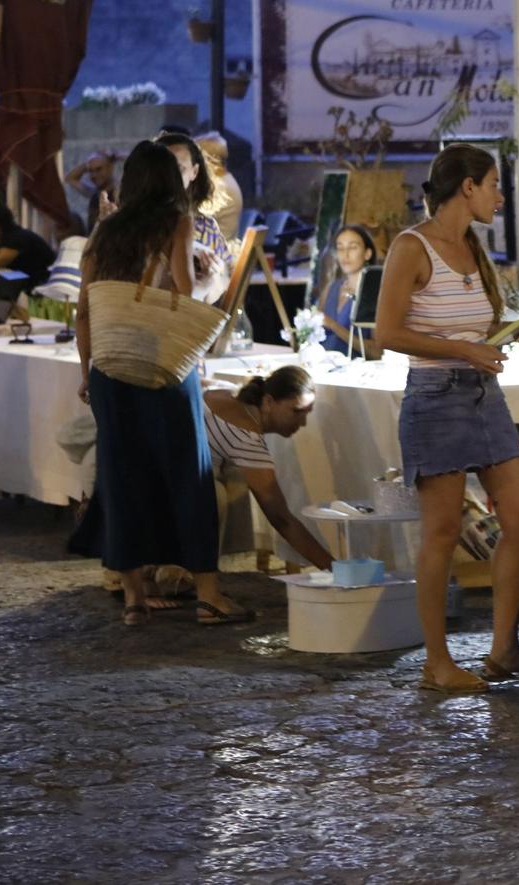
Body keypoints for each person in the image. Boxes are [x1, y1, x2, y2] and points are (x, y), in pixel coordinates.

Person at [373, 143, 519, 694]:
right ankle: (438, 663)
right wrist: (463, 351)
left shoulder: (475, 248)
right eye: (495, 184)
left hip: (483, 394)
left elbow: (478, 325)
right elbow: (387, 333)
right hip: (435, 395)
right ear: (467, 187)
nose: (501, 196)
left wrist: (510, 331)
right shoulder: (412, 246)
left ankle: (502, 649)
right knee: (443, 532)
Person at [76, 140, 252, 627]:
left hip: (109, 369)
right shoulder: (178, 223)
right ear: (173, 183)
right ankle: (210, 595)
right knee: (188, 477)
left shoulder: (106, 232)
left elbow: (84, 311)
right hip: (164, 365)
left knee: (119, 478)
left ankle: (133, 597)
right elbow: (184, 293)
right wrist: (215, 279)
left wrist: (85, 371)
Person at [202, 366, 335, 572]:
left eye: (307, 413)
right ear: (268, 402)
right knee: (216, 492)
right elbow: (281, 519)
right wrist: (335, 568)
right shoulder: (246, 438)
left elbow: (203, 383)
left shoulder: (226, 390)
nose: (303, 422)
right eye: (297, 411)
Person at [157, 132, 232, 305]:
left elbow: (222, 286)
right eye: (163, 169)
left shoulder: (204, 226)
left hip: (188, 322)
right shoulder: (133, 221)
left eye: (179, 169)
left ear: (194, 172)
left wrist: (211, 280)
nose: (170, 177)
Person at [318, 224, 377, 353]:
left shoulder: (374, 293)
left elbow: (376, 351)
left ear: (367, 253)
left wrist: (334, 326)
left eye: (353, 247)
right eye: (340, 248)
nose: (345, 254)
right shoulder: (331, 288)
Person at [194, 131, 243, 242]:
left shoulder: (217, 187)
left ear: (209, 159)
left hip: (215, 253)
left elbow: (192, 223)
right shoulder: (225, 180)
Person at [63, 150, 119, 233]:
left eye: (99, 169)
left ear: (110, 168)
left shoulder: (120, 192)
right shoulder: (94, 192)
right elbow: (70, 178)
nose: (94, 175)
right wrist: (88, 164)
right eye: (91, 171)